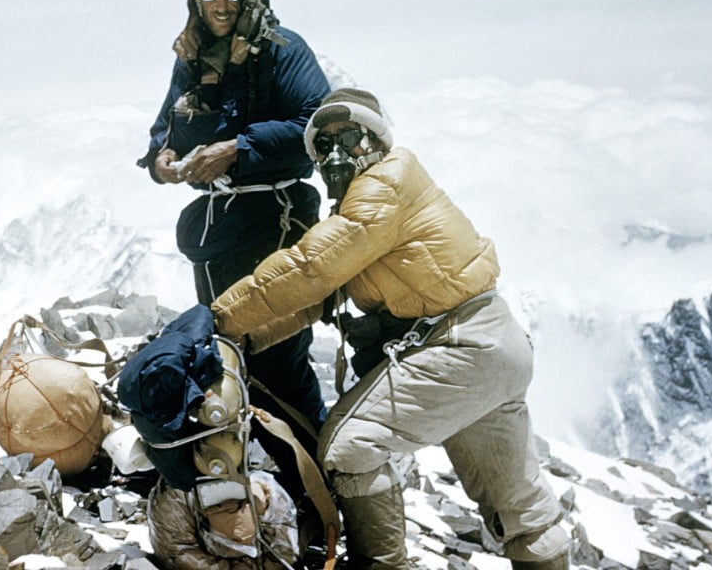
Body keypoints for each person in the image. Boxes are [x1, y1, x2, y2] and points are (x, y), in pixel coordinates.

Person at [211, 88, 570, 569]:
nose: (337, 154)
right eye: (325, 144)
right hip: (494, 347)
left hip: (460, 346)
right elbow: (318, 298)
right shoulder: (372, 204)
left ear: (377, 141)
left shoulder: (383, 185)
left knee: (349, 447)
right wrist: (246, 335)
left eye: (350, 138)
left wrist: (218, 318)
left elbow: (310, 268)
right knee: (520, 509)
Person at [136, 0, 330, 485]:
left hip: (276, 224)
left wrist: (237, 149)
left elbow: (317, 124)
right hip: (218, 234)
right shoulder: (191, 55)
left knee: (278, 359)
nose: (220, 5)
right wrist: (161, 160)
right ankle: (263, 490)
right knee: (226, 352)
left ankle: (319, 488)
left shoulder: (282, 50)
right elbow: (164, 129)